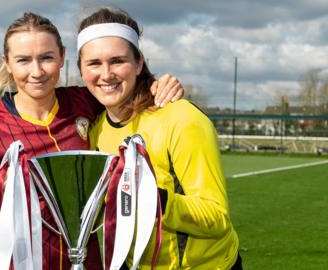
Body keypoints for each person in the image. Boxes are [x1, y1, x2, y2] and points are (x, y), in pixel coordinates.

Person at [0, 12, 184, 270]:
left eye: (46, 58)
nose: (37, 71)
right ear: (7, 63)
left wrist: (160, 85)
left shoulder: (84, 102)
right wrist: (15, 189)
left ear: (62, 57)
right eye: (23, 60)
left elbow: (122, 87)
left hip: (84, 262)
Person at [78, 7, 242, 270]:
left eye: (118, 60)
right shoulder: (95, 129)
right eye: (94, 63)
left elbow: (217, 217)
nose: (106, 74)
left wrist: (156, 201)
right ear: (81, 70)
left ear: (139, 63)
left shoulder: (181, 118)